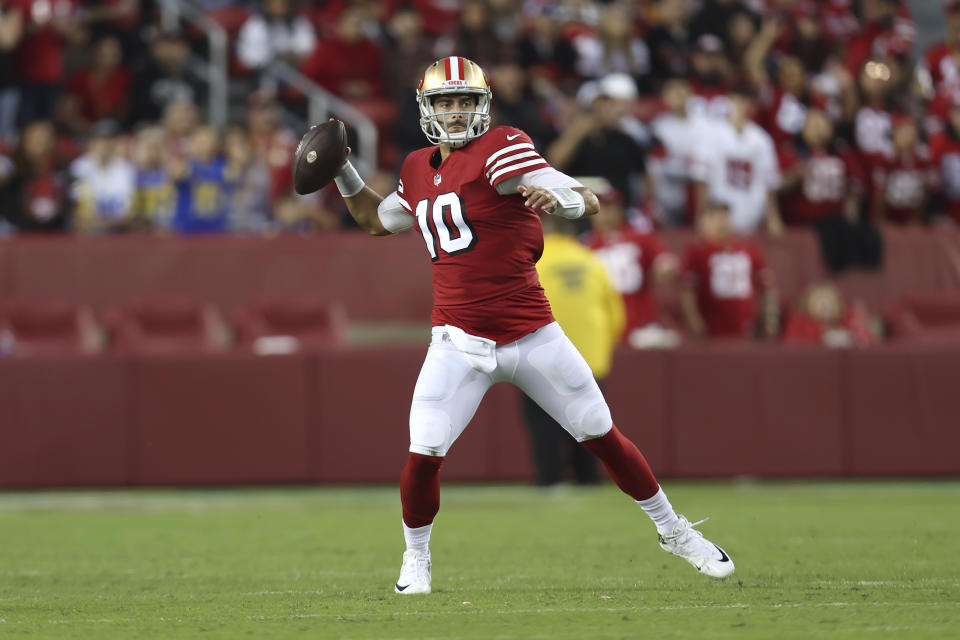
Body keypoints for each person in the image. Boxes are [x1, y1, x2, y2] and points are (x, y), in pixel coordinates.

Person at [323, 56, 735, 595]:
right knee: (424, 451)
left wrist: (557, 196)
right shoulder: (418, 168)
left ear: (483, 104)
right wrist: (343, 169)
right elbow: (376, 222)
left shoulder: (502, 148)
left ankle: (674, 530)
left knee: (601, 435)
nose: (455, 111)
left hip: (533, 334)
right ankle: (416, 559)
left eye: (465, 100)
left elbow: (586, 198)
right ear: (426, 107)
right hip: (457, 342)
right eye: (445, 101)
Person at [523, 212, 624, 487]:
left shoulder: (532, 261)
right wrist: (602, 347)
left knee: (543, 425)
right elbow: (616, 315)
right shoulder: (592, 261)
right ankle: (588, 479)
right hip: (589, 357)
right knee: (589, 424)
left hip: (540, 358)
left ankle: (549, 479)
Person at [679, 200, 778, 340]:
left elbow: (768, 287)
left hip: (747, 330)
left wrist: (770, 321)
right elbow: (686, 292)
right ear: (703, 223)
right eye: (714, 218)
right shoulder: (696, 252)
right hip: (711, 331)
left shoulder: (749, 249)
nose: (721, 223)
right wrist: (695, 323)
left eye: (725, 217)